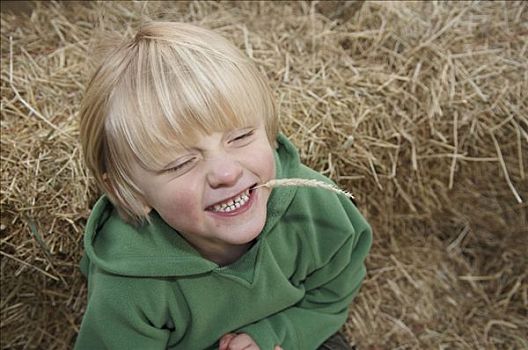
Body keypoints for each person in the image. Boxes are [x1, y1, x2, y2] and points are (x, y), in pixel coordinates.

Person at [75, 21, 372, 350]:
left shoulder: (319, 212)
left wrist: (279, 336)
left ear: (270, 132)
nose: (226, 173)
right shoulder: (127, 289)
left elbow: (330, 298)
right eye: (181, 163)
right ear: (127, 190)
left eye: (241, 136)